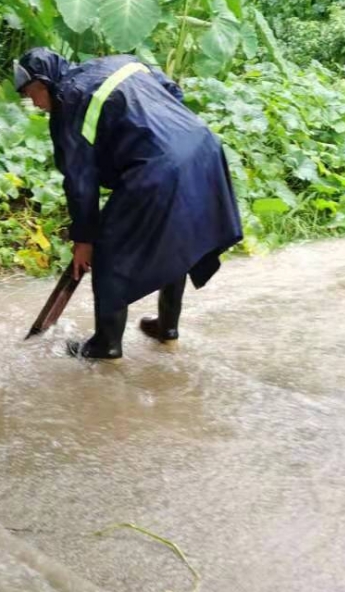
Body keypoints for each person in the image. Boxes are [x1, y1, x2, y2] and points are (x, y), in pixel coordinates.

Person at [14, 47, 243, 360]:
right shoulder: (120, 62)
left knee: (107, 251)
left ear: (44, 82)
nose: (37, 105)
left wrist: (84, 239)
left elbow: (80, 181)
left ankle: (105, 345)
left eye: (32, 94)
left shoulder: (69, 102)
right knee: (175, 237)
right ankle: (167, 329)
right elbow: (173, 91)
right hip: (202, 148)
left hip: (158, 168)